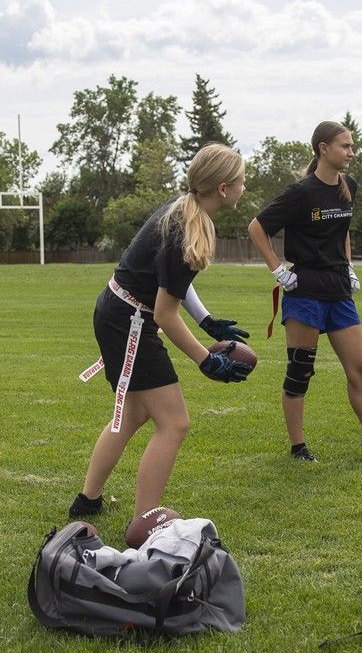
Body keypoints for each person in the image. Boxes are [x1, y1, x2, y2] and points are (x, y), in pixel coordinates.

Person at [69, 144, 254, 522]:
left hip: (120, 313)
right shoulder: (188, 227)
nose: (244, 188)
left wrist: (206, 321)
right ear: (222, 187)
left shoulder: (186, 209)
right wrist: (207, 360)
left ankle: (87, 501)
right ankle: (145, 520)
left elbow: (172, 283)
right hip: (130, 322)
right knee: (175, 422)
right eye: (241, 181)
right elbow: (167, 315)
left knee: (133, 415)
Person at [248, 121, 362, 461]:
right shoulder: (301, 192)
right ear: (323, 148)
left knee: (360, 369)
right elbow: (257, 227)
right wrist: (278, 270)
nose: (351, 152)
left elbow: (342, 230)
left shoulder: (347, 185)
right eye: (345, 146)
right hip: (304, 289)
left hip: (338, 288)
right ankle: (298, 447)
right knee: (300, 369)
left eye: (351, 146)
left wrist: (348, 265)